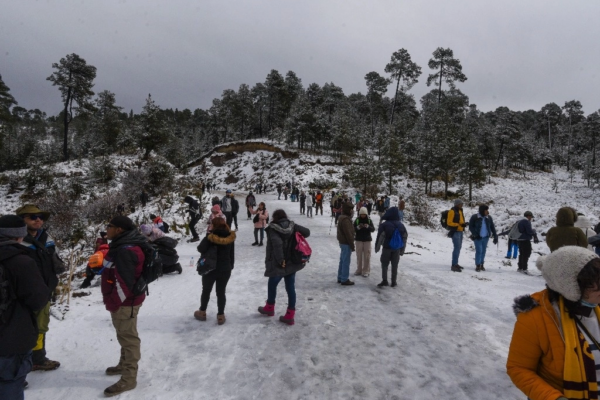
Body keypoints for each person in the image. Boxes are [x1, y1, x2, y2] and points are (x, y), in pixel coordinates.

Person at [506, 246, 600, 400]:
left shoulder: (596, 306)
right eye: (593, 284)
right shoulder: (536, 318)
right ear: (571, 286)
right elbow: (519, 368)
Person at [0, 215, 49, 400]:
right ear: (20, 235)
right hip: (10, 338)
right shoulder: (21, 262)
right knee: (9, 386)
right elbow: (38, 299)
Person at [102, 216, 148, 396]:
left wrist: (113, 303)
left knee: (128, 338)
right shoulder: (123, 245)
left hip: (124, 302)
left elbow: (124, 283)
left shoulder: (126, 250)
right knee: (124, 335)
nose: (106, 229)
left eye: (109, 226)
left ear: (119, 229)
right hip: (127, 301)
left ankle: (129, 378)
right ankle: (123, 365)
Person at [16, 204, 64, 371]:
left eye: (41, 217)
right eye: (33, 217)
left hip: (44, 290)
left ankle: (37, 359)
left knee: (40, 327)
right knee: (19, 329)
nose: (38, 220)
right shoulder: (16, 241)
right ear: (22, 220)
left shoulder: (46, 237)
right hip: (21, 293)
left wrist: (57, 265)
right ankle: (18, 366)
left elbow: (54, 257)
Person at [257, 209, 310, 325]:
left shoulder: (273, 229)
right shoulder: (292, 226)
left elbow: (277, 245)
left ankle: (270, 307)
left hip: (279, 263)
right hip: (291, 262)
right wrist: (295, 229)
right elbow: (307, 232)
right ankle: (290, 315)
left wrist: (281, 261)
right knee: (290, 287)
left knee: (272, 284)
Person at [194, 217, 235, 325]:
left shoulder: (210, 237)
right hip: (225, 268)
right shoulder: (230, 237)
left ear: (214, 225)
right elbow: (232, 254)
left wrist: (208, 235)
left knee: (206, 290)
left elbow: (200, 248)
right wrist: (230, 266)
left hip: (210, 268)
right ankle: (220, 315)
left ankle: (202, 312)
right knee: (221, 292)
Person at [374, 207, 408, 287]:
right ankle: (394, 282)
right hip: (396, 249)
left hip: (386, 248)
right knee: (395, 265)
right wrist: (402, 250)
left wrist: (377, 247)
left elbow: (380, 237)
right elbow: (404, 237)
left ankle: (385, 280)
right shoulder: (401, 225)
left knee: (385, 264)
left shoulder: (384, 225)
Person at [468, 205, 498, 272]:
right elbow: (470, 227)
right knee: (479, 251)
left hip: (486, 237)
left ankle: (482, 264)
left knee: (483, 251)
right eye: (486, 210)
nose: (487, 211)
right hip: (477, 237)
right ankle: (477, 265)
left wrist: (495, 236)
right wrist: (475, 234)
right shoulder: (475, 217)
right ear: (482, 211)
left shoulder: (489, 218)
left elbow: (492, 227)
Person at [336, 202, 356, 286]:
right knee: (346, 261)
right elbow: (348, 234)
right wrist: (352, 244)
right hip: (346, 243)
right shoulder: (346, 220)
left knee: (342, 260)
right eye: (351, 209)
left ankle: (340, 277)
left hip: (343, 242)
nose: (352, 211)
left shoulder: (342, 218)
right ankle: (344, 278)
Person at [353, 207, 375, 277]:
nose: (363, 215)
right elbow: (353, 229)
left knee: (367, 256)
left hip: (367, 240)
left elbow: (373, 229)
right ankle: (359, 270)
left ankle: (366, 270)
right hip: (358, 240)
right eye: (361, 214)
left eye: (364, 214)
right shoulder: (357, 220)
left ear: (366, 214)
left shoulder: (369, 220)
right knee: (359, 255)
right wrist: (358, 227)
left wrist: (368, 226)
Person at [447, 199, 467, 272]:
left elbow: (460, 221)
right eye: (460, 204)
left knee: (458, 248)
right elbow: (449, 222)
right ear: (456, 204)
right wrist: (459, 224)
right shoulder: (452, 211)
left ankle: (456, 263)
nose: (461, 205)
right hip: (455, 231)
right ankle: (454, 264)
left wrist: (464, 224)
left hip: (460, 231)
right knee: (456, 248)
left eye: (462, 204)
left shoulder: (460, 211)